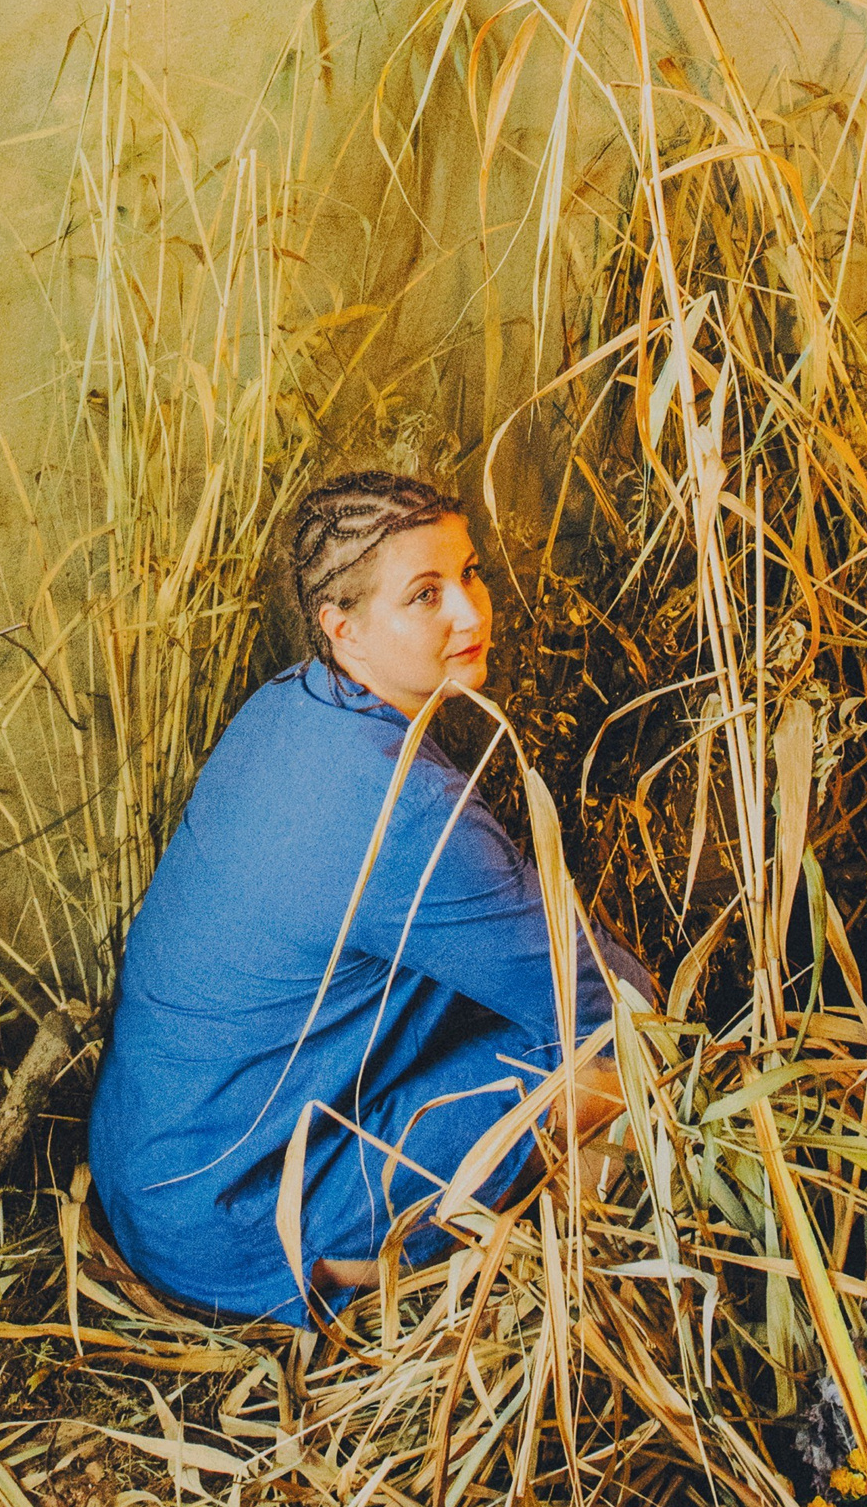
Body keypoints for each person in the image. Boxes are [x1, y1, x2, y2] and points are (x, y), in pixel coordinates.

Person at [88, 470, 648, 1325]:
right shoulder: (404, 809)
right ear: (342, 628)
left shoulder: (283, 707)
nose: (471, 611)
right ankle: (509, 1299)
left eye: (469, 572)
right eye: (425, 595)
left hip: (150, 1178)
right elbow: (614, 1001)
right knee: (613, 1068)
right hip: (236, 1226)